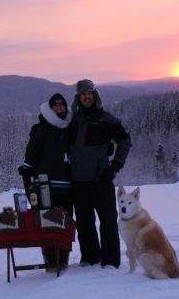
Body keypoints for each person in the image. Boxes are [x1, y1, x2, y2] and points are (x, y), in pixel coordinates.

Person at [69, 79, 132, 269]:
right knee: (84, 224)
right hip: (78, 182)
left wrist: (115, 167)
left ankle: (111, 261)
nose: (86, 96)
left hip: (101, 180)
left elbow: (125, 140)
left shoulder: (106, 119)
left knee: (108, 222)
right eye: (83, 94)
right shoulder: (73, 121)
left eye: (89, 93)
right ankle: (90, 258)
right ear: (78, 98)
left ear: (94, 95)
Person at [18, 93, 73, 271]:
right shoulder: (41, 129)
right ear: (50, 108)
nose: (59, 108)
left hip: (67, 186)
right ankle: (50, 261)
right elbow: (32, 151)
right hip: (45, 186)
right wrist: (27, 167)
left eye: (62, 105)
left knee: (64, 223)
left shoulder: (71, 127)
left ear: (66, 107)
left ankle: (63, 260)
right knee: (46, 222)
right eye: (55, 106)